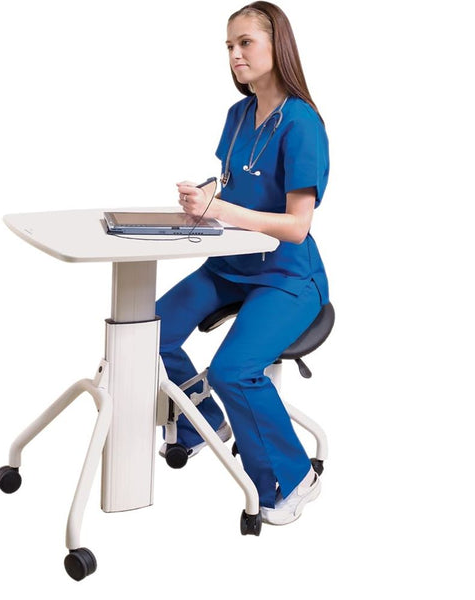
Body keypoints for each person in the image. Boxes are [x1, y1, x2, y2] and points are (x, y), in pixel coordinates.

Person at [156, 1, 330, 526]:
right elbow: (234, 183)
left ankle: (293, 476)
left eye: (246, 42)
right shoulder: (238, 115)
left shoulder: (302, 123)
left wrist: (221, 209)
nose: (235, 54)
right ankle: (203, 421)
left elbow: (296, 225)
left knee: (233, 370)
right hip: (230, 266)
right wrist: (202, 197)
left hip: (287, 276)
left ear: (278, 46)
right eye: (229, 46)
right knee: (147, 330)